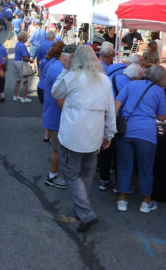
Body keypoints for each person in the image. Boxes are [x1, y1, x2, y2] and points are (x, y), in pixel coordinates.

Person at [51, 45, 116, 232]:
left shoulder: (72, 76)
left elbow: (56, 92)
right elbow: (110, 109)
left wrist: (65, 69)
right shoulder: (104, 80)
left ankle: (86, 212)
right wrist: (109, 133)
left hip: (73, 135)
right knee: (87, 173)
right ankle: (82, 207)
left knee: (71, 174)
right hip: (94, 135)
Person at [114, 65, 166, 213]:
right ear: (162, 79)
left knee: (124, 166)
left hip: (126, 131)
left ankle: (122, 200)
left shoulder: (131, 84)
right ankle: (146, 202)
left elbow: (117, 104)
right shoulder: (159, 91)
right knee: (146, 168)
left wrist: (112, 124)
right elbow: (162, 117)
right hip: (147, 133)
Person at [98, 63, 144, 191]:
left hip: (104, 116)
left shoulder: (111, 78)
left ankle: (104, 180)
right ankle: (120, 185)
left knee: (105, 150)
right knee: (120, 153)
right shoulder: (130, 85)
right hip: (119, 121)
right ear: (134, 78)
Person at [41, 42, 68, 187]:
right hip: (56, 115)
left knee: (57, 148)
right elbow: (60, 97)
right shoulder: (59, 69)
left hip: (52, 113)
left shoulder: (55, 65)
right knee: (57, 149)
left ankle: (54, 174)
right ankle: (52, 177)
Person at [13, 31, 32, 103]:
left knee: (18, 80)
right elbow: (25, 57)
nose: (27, 38)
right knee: (25, 81)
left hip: (16, 62)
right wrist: (30, 61)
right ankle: (24, 98)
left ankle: (16, 95)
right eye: (26, 37)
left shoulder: (18, 44)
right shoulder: (23, 45)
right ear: (23, 37)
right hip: (21, 63)